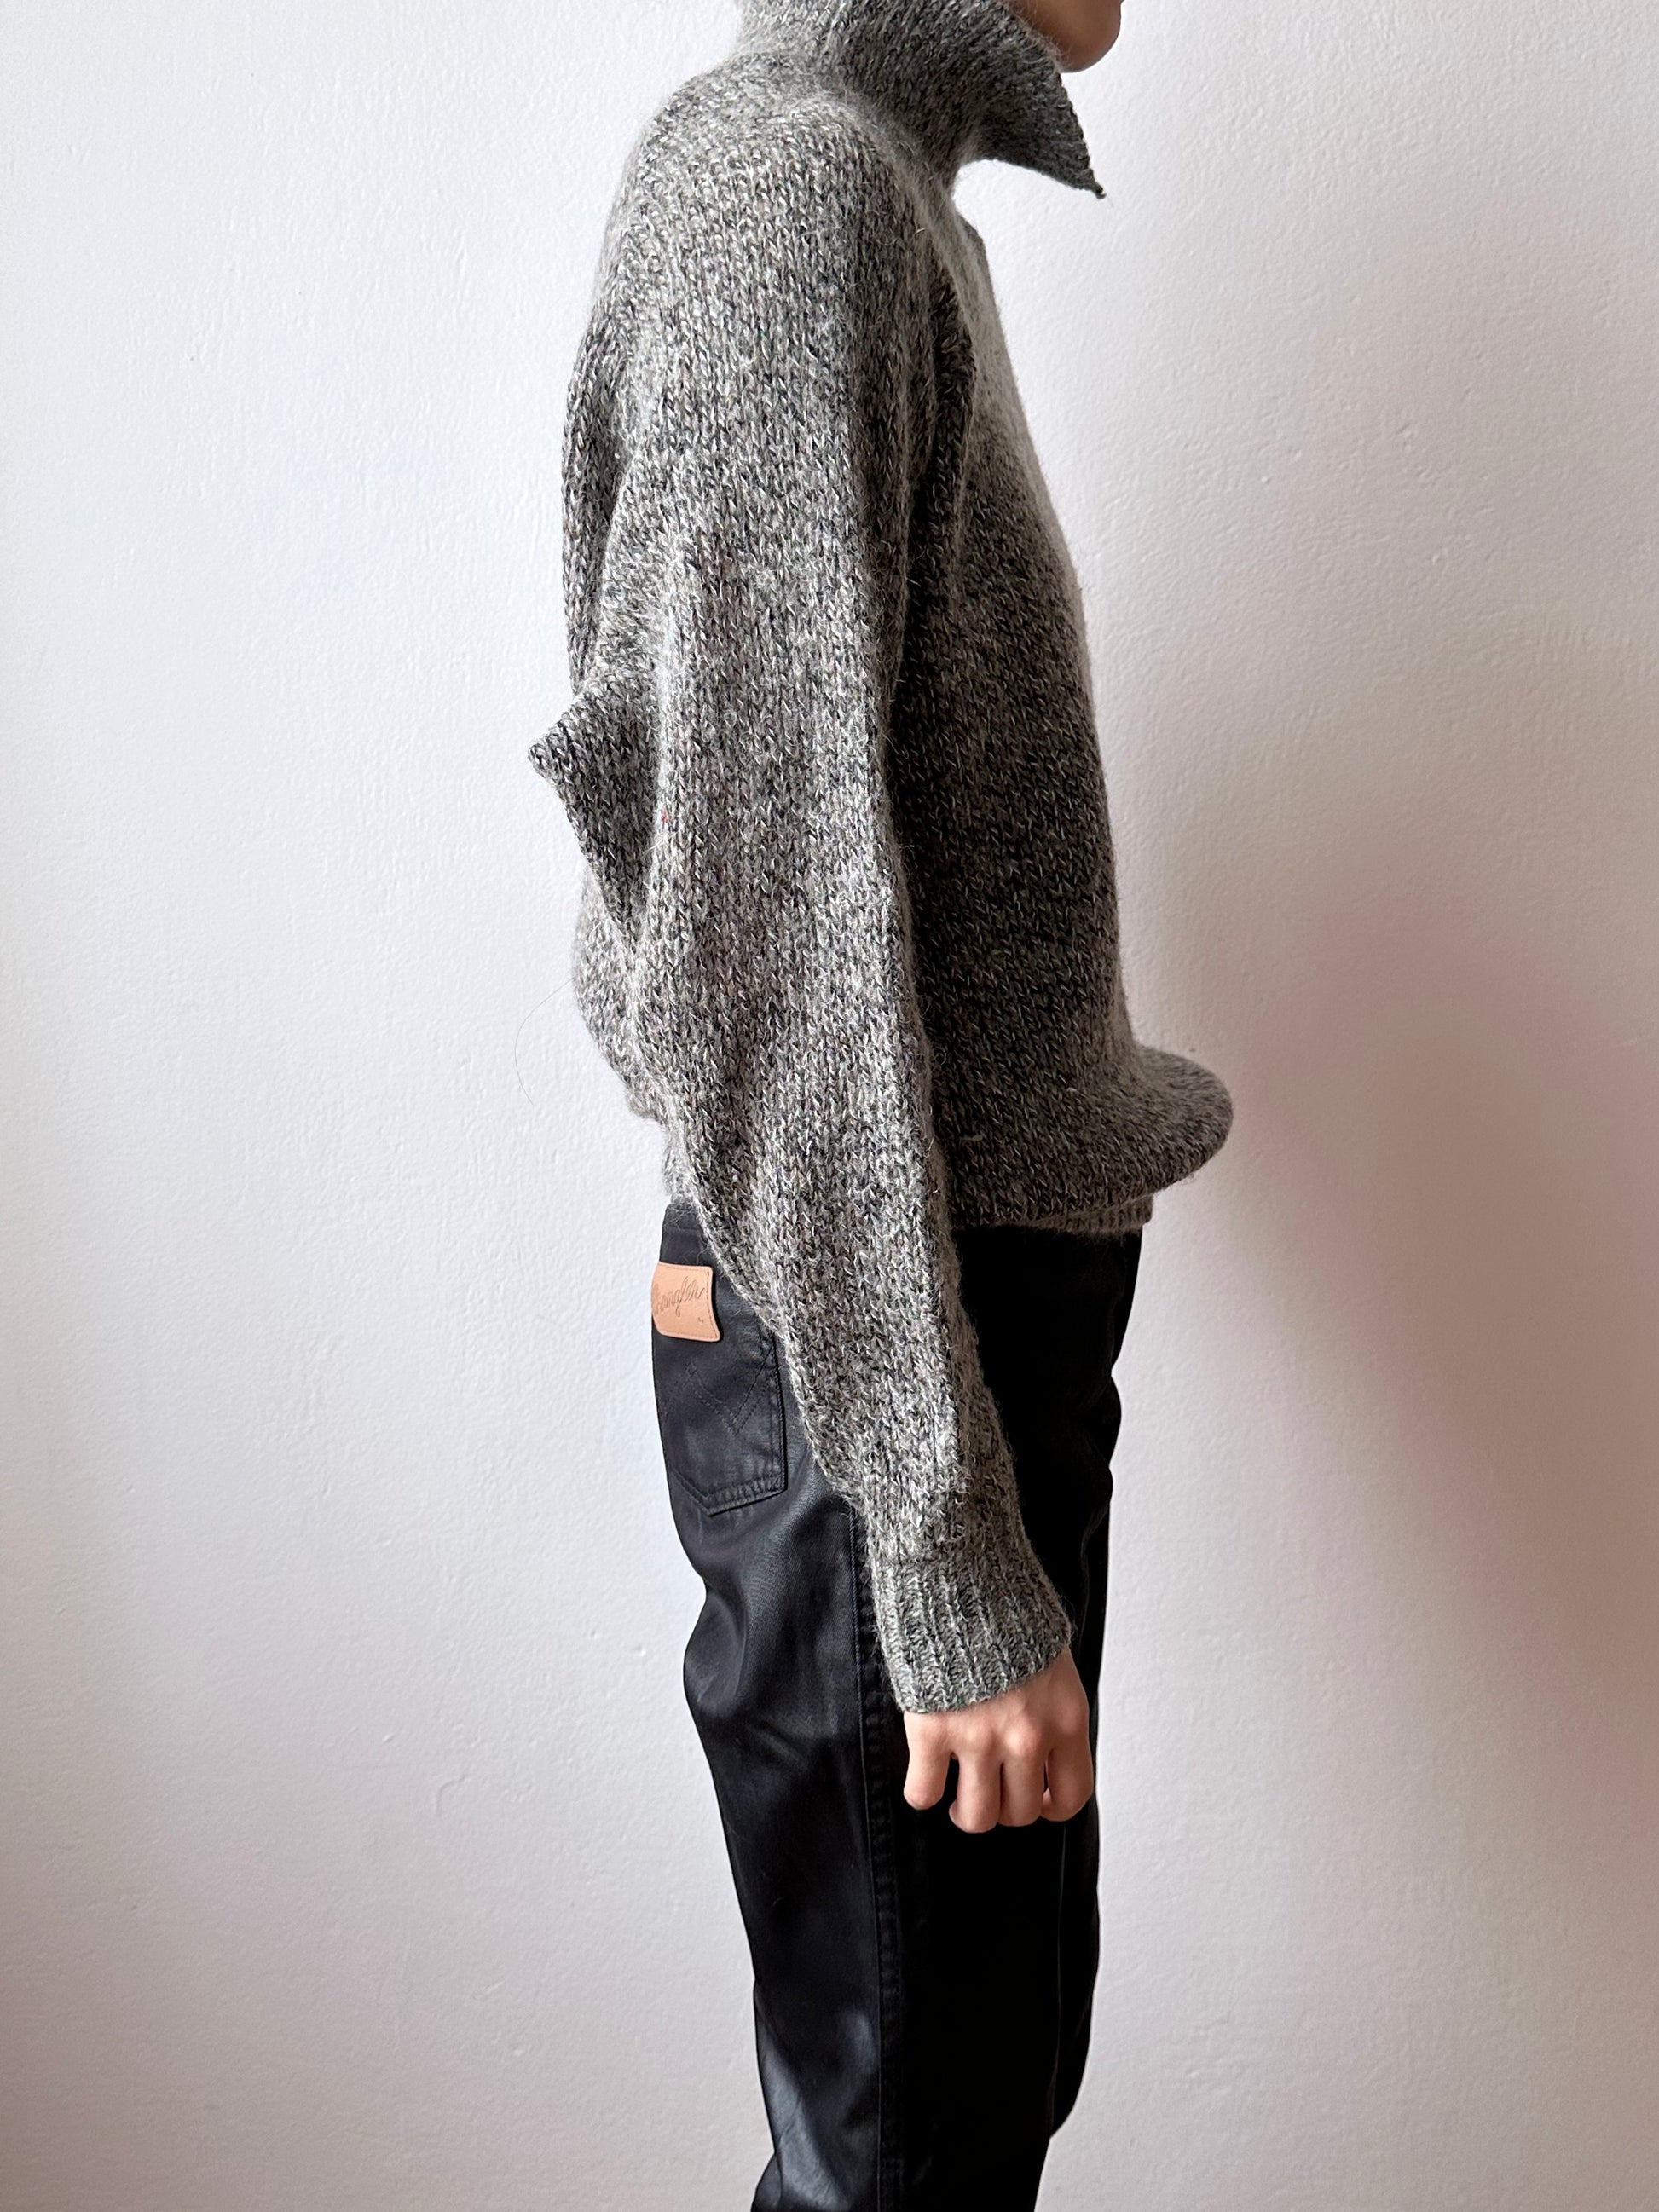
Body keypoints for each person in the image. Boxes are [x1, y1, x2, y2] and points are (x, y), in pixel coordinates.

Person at [529, 0, 1233, 2201]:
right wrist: (936, 1544)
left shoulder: (873, 192)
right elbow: (760, 933)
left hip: (934, 1343)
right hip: (882, 1362)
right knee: (910, 2156)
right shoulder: (785, 192)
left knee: (957, 2119)